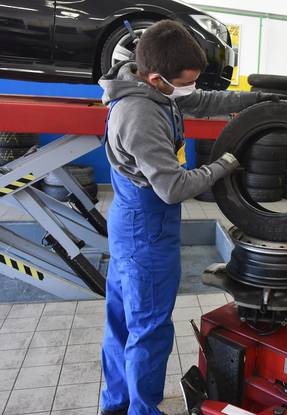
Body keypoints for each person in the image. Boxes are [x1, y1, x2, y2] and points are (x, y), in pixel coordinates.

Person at [98, 20, 277, 415]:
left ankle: (115, 406)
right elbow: (174, 187)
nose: (190, 89)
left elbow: (202, 102)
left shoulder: (152, 89)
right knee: (148, 330)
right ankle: (141, 411)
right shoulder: (140, 115)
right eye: (185, 82)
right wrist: (223, 165)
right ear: (159, 78)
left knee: (123, 324)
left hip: (134, 224)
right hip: (145, 233)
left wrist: (258, 99)